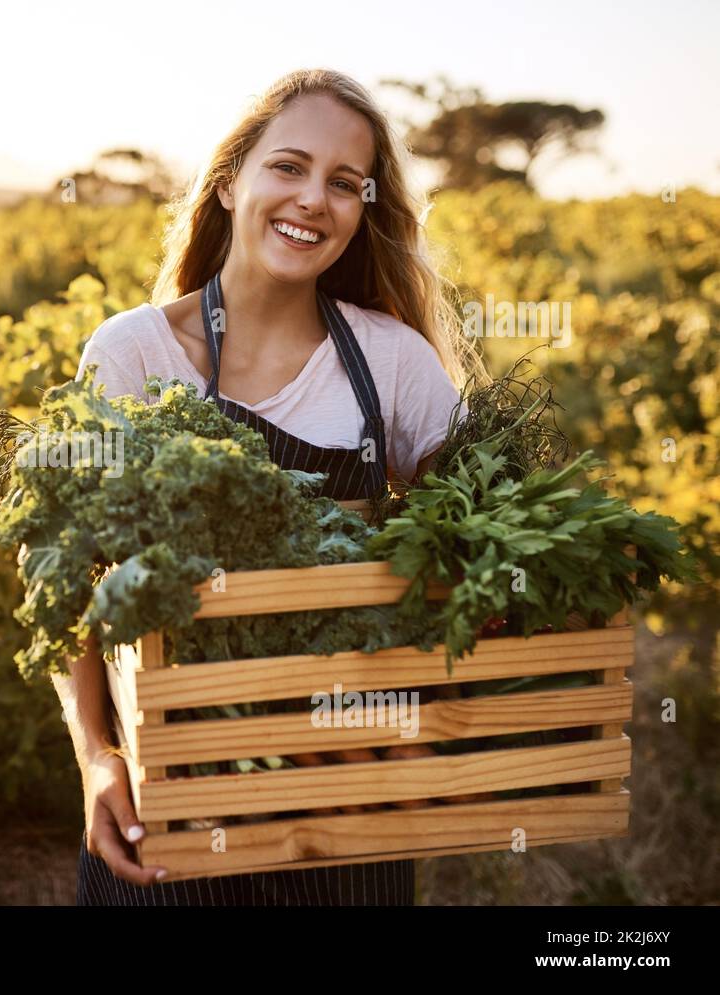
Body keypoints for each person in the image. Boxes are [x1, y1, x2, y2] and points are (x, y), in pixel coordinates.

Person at [56, 67, 486, 906]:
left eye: (344, 184)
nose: (313, 200)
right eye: (288, 167)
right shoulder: (133, 354)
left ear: (364, 211)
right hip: (176, 804)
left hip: (348, 807)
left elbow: (481, 526)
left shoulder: (389, 360)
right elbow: (70, 580)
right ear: (229, 182)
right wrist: (98, 757)